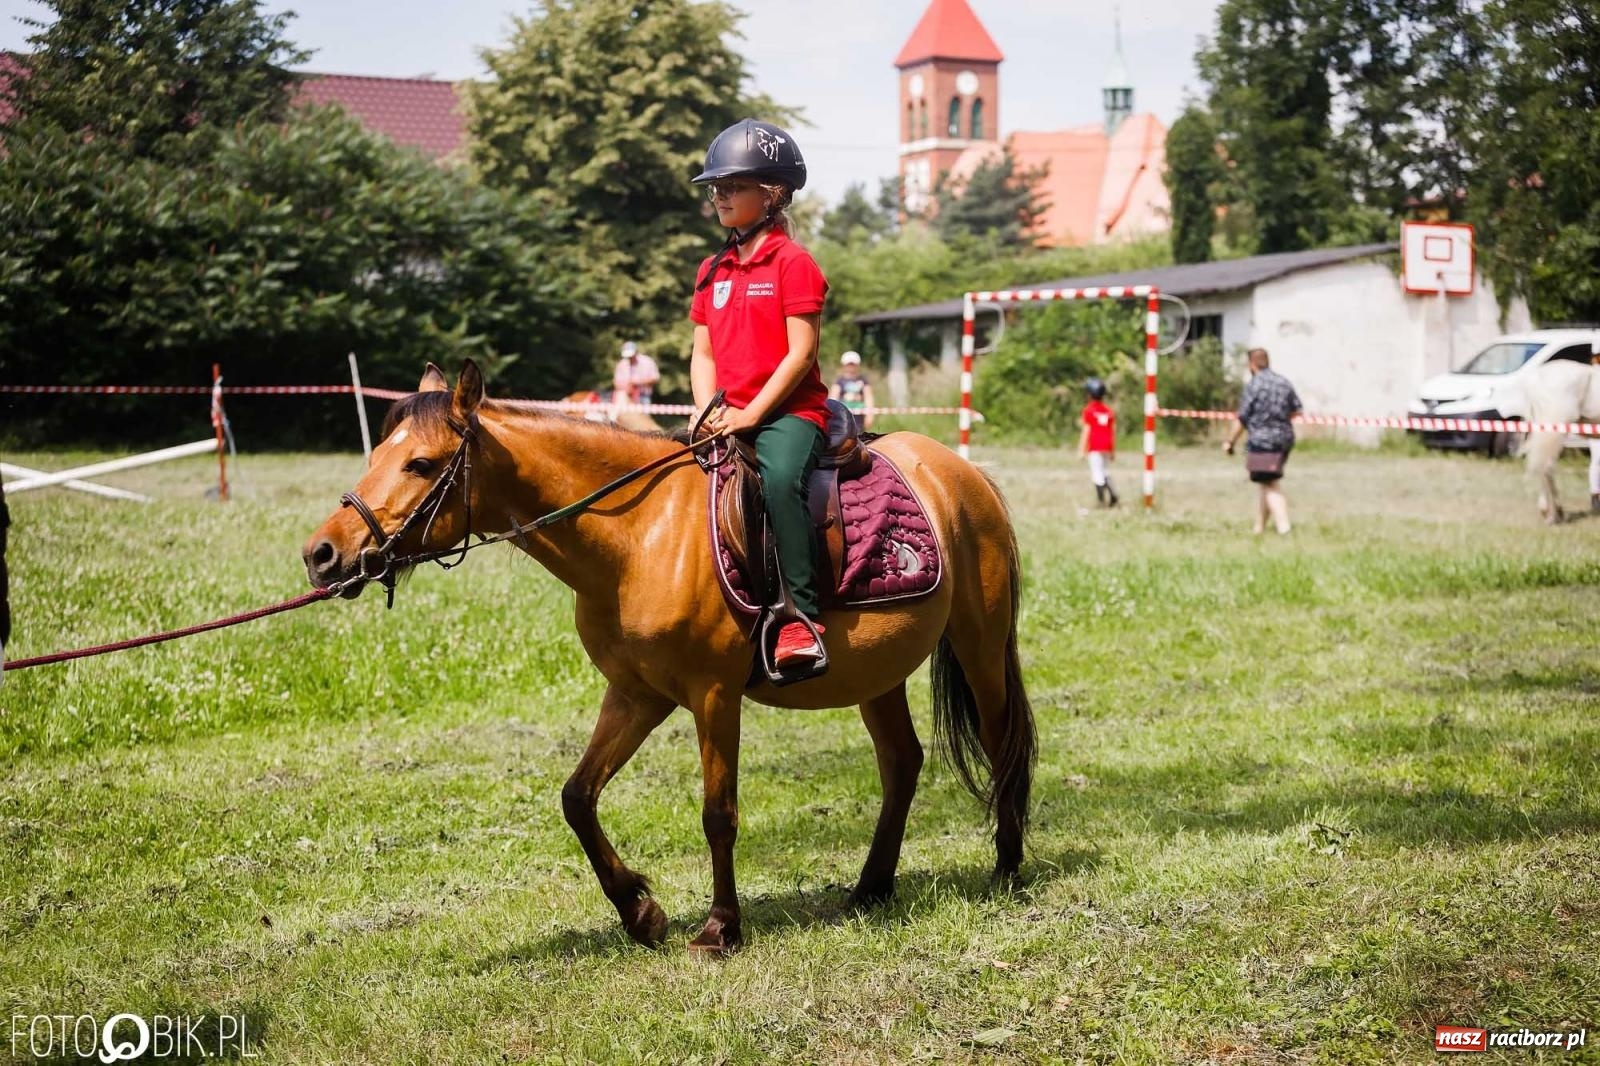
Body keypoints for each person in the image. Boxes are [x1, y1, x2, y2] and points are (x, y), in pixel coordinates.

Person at [688, 118, 830, 672]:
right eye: (716, 187)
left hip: (790, 413)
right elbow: (702, 353)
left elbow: (801, 355)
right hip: (724, 413)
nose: (720, 195)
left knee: (778, 480)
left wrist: (750, 414)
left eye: (734, 186)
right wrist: (708, 410)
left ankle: (801, 619)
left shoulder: (795, 264)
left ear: (771, 195)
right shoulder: (711, 269)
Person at [1223, 347, 1302, 534]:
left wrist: (1230, 441)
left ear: (1251, 364)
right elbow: (1296, 410)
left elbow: (1242, 418)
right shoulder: (1284, 382)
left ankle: (1284, 528)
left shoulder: (1254, 385)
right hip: (1284, 439)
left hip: (1262, 441)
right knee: (1266, 480)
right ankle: (1259, 529)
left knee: (1269, 484)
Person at [1076, 377, 1118, 507]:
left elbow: (1086, 431)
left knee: (1097, 474)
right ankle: (1113, 494)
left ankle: (1101, 501)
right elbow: (1113, 431)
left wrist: (1081, 450)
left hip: (1094, 446)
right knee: (1105, 471)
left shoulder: (1089, 410)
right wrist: (1112, 450)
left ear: (1089, 394)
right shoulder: (1108, 411)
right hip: (1106, 446)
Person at [828, 351, 875, 430]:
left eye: (853, 364)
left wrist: (870, 415)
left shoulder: (863, 381)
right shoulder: (839, 381)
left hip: (859, 419)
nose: (851, 367)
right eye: (849, 364)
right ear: (844, 365)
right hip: (843, 418)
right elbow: (833, 398)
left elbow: (868, 398)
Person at [612, 341, 660, 408]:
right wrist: (626, 387)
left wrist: (637, 383)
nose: (629, 358)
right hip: (625, 397)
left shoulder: (647, 362)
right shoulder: (621, 364)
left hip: (644, 396)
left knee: (643, 417)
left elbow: (655, 378)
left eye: (631, 355)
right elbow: (616, 382)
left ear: (636, 352)